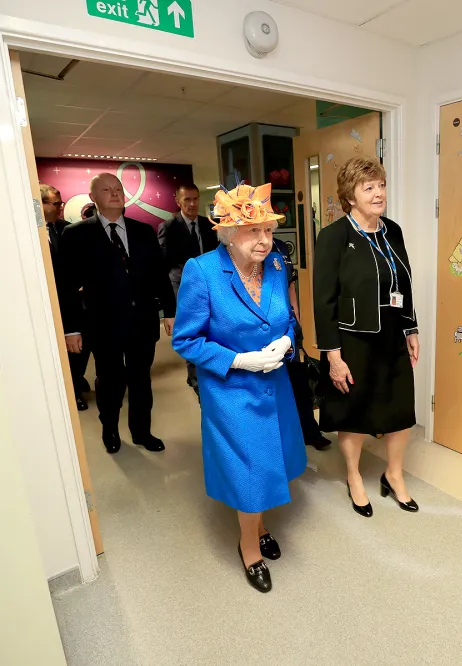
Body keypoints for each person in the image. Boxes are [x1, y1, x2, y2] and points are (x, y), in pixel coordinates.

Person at [172, 182, 306, 593]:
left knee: (268, 460)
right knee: (249, 468)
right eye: (254, 231)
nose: (266, 240)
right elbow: (186, 340)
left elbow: (288, 321)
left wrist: (288, 340)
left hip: (274, 385)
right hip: (231, 392)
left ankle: (260, 524)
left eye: (269, 230)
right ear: (229, 233)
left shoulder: (278, 266)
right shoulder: (203, 271)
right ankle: (250, 546)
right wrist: (238, 359)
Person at [313, 157, 421, 518]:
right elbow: (323, 299)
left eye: (381, 185)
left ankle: (393, 474)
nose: (378, 193)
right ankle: (354, 476)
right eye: (368, 187)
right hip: (353, 340)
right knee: (354, 411)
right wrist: (333, 355)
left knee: (401, 407)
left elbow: (403, 285)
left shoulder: (393, 230)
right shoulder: (333, 237)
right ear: (350, 196)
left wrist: (411, 327)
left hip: (392, 335)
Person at [60, 173, 177, 454]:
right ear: (93, 198)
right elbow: (65, 284)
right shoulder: (76, 234)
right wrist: (71, 328)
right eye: (106, 189)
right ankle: (110, 430)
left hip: (142, 320)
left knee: (141, 379)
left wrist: (169, 311)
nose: (114, 193)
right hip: (102, 323)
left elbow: (159, 275)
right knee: (109, 381)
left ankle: (141, 431)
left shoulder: (143, 231)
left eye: (118, 188)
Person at [157, 183, 219, 395]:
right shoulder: (169, 227)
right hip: (183, 286)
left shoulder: (208, 224)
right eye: (187, 200)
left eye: (195, 199)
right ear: (178, 201)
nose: (192, 204)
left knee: (209, 327)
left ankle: (199, 369)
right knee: (192, 329)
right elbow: (164, 263)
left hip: (210, 285)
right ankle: (196, 379)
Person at [271, 237, 330, 451]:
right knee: (275, 381)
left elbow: (291, 286)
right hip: (266, 328)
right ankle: (280, 437)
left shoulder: (281, 246)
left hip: (288, 324)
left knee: (299, 380)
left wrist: (297, 321)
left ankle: (309, 430)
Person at [41, 183, 90, 411]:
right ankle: (67, 389)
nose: (60, 208)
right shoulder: (28, 234)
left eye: (61, 203)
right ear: (40, 204)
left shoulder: (67, 229)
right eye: (56, 203)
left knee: (79, 347)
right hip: (45, 303)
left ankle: (75, 383)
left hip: (72, 300)